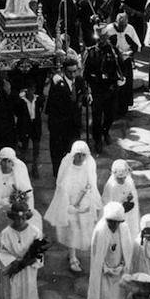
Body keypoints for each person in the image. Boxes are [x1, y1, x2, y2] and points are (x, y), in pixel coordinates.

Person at [44, 140, 102, 273]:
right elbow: (63, 187)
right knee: (72, 229)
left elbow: (90, 185)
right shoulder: (68, 168)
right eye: (78, 154)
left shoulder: (87, 167)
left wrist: (85, 198)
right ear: (73, 155)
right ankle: (72, 256)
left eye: (83, 155)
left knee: (83, 228)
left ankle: (81, 252)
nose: (80, 158)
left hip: (84, 202)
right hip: (70, 203)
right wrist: (69, 203)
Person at [0, 200, 44, 299]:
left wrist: (29, 260)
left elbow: (39, 251)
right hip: (12, 269)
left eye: (23, 218)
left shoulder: (35, 232)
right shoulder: (5, 234)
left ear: (27, 217)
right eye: (17, 218)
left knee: (27, 292)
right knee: (13, 294)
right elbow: (2, 252)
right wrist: (14, 263)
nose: (20, 221)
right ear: (12, 217)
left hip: (28, 269)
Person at [88, 201, 133, 299]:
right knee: (106, 297)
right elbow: (97, 257)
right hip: (105, 272)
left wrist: (122, 265)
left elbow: (127, 250)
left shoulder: (124, 229)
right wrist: (106, 268)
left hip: (120, 270)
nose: (113, 225)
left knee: (119, 295)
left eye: (116, 222)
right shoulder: (100, 231)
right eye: (111, 222)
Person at [83, 24, 126, 152]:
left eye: (104, 38)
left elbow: (121, 67)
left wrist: (118, 78)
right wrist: (87, 89)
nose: (101, 40)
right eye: (99, 38)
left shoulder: (114, 51)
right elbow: (85, 74)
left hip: (110, 88)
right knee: (96, 118)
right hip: (96, 89)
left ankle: (105, 131)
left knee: (110, 116)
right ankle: (97, 140)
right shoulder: (90, 52)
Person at [46, 59, 88, 177]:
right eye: (70, 72)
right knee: (58, 154)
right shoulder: (57, 84)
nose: (73, 75)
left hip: (74, 125)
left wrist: (87, 97)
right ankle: (59, 176)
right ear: (64, 71)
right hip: (59, 125)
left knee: (73, 151)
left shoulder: (79, 81)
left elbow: (83, 97)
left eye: (75, 71)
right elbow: (53, 107)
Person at [105, 12, 141, 116]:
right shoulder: (109, 29)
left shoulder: (130, 29)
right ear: (116, 22)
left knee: (126, 85)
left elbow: (137, 45)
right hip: (113, 62)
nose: (123, 28)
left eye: (124, 25)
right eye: (121, 25)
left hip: (125, 60)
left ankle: (124, 108)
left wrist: (130, 52)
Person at [14, 75, 44, 179]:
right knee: (24, 148)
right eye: (29, 89)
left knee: (36, 147)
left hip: (35, 126)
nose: (31, 92)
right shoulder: (21, 101)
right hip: (24, 126)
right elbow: (17, 112)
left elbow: (40, 109)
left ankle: (35, 167)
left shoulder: (38, 99)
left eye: (33, 89)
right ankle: (23, 169)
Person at [103, 160, 140, 240]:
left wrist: (130, 200)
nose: (122, 180)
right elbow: (107, 204)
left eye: (124, 177)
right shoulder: (111, 186)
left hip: (128, 216)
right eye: (119, 178)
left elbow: (132, 196)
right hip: (115, 217)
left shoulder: (129, 183)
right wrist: (120, 207)